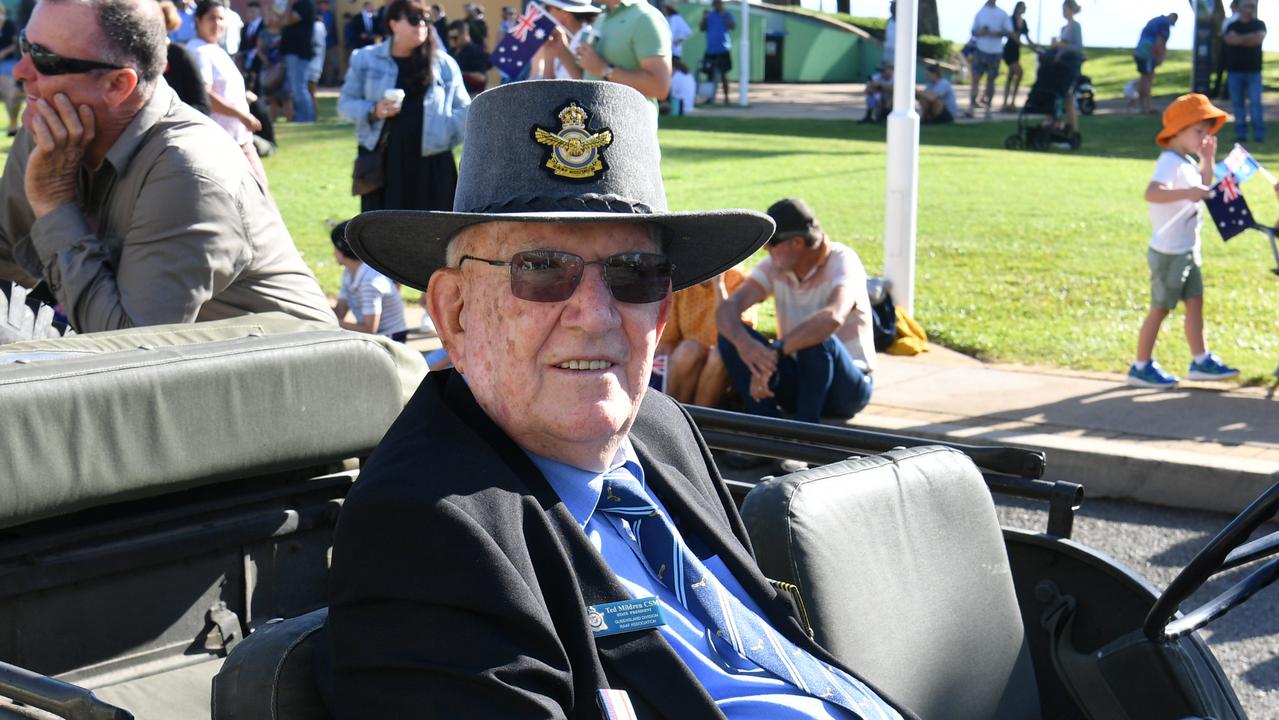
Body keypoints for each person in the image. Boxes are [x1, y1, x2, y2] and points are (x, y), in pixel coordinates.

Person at [322, 78, 910, 720]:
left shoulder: (659, 429)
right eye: (542, 269)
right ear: (455, 312)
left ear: (663, 309)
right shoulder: (422, 532)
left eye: (634, 274)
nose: (597, 316)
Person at [0, 0, 334, 333]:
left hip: (282, 375)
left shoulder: (190, 171)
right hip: (182, 367)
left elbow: (128, 350)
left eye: (45, 59)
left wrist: (53, 204)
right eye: (25, 45)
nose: (20, 71)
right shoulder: (50, 129)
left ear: (118, 85)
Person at [717, 198, 876, 425]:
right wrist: (747, 347)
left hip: (847, 390)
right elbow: (727, 311)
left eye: (771, 243)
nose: (765, 249)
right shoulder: (776, 265)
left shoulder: (843, 261)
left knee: (817, 339)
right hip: (801, 377)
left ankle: (804, 437)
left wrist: (776, 351)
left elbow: (833, 317)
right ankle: (765, 429)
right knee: (729, 335)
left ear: (797, 243)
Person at [1129, 94, 1239, 388]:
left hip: (1188, 249)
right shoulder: (1169, 161)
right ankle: (1141, 366)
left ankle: (1200, 360)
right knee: (1160, 308)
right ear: (1178, 130)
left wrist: (1207, 160)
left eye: (1207, 132)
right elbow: (1152, 193)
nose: (1205, 137)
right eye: (1198, 131)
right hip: (1168, 252)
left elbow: (1203, 186)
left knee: (1195, 303)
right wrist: (1186, 194)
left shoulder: (1187, 160)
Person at [340, 0, 469, 212]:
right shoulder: (365, 59)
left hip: (432, 164)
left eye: (426, 20)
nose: (422, 26)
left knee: (434, 236)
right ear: (393, 24)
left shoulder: (443, 64)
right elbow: (346, 104)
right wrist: (374, 110)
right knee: (384, 237)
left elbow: (465, 110)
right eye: (414, 20)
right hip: (385, 164)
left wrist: (444, 134)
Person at [188, 0, 268, 188]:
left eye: (221, 18)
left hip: (238, 137)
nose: (217, 24)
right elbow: (206, 96)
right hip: (221, 141)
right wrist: (241, 115)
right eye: (211, 19)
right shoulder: (199, 52)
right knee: (255, 194)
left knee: (256, 193)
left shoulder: (214, 49)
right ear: (198, 21)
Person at [656, 268, 752, 406]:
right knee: (689, 349)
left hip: (724, 362)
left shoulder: (738, 280)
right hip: (689, 361)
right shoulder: (684, 281)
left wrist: (719, 286)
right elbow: (668, 340)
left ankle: (701, 418)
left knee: (719, 355)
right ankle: (673, 412)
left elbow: (737, 334)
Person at [571, 0, 671, 104]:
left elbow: (660, 87)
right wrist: (560, 50)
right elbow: (589, 76)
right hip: (595, 118)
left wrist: (604, 69)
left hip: (631, 119)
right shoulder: (601, 18)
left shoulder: (646, 17)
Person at [331, 220, 408, 342]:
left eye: (334, 248)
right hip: (376, 336)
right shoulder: (349, 272)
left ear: (341, 251)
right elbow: (340, 311)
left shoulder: (369, 282)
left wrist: (332, 324)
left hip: (391, 340)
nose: (333, 253)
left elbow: (369, 329)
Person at [1223, 0, 1265, 144]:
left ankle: (1259, 135)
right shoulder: (1232, 25)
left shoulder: (1259, 24)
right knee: (1238, 104)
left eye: (1252, 6)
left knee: (1255, 103)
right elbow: (1230, 40)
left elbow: (1258, 40)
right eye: (1247, 5)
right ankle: (1241, 134)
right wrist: (1249, 37)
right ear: (1240, 7)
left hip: (1254, 72)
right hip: (1235, 72)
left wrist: (1240, 38)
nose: (1250, 9)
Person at [528, 0, 598, 80]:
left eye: (548, 8)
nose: (545, 14)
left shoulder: (589, 39)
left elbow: (587, 84)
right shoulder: (561, 39)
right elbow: (547, 86)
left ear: (565, 14)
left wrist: (563, 52)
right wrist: (549, 53)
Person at [967, 0, 1011, 119]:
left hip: (995, 51)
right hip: (980, 50)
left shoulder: (1002, 14)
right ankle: (971, 107)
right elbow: (973, 31)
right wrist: (982, 32)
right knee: (976, 78)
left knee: (991, 80)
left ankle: (988, 108)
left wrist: (996, 33)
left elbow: (1008, 32)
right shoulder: (980, 13)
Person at [1134, 12, 1177, 115]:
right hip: (1148, 52)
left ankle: (1142, 105)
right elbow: (1159, 41)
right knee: (1148, 78)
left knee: (1144, 77)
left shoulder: (1156, 20)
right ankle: (1148, 106)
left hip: (1140, 51)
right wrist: (1160, 57)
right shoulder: (1164, 24)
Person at [281, 0, 317, 122]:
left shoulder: (305, 4)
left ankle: (306, 118)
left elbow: (288, 20)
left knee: (299, 88)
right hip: (292, 51)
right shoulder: (296, 5)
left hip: (300, 52)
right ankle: (303, 116)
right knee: (296, 87)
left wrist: (289, 5)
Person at [1053, 0, 1082, 132]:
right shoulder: (1064, 28)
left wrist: (1061, 46)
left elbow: (1077, 48)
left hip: (1071, 66)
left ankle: (1074, 130)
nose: (1064, 12)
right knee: (1062, 99)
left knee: (1068, 98)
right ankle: (1062, 127)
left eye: (1065, 9)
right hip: (1061, 67)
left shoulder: (1075, 26)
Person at [699, 0, 733, 105]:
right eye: (716, 3)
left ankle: (726, 98)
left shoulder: (727, 14)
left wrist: (724, 16)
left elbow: (732, 26)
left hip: (723, 49)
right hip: (711, 50)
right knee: (710, 75)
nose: (718, 5)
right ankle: (710, 98)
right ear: (713, 5)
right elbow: (702, 28)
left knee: (723, 75)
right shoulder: (709, 15)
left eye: (720, 3)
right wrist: (704, 18)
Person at [999, 1, 1030, 113]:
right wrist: (1020, 42)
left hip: (1016, 51)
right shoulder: (1010, 19)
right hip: (1009, 50)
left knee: (1011, 76)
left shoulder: (1023, 22)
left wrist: (1033, 46)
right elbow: (1010, 34)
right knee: (1019, 72)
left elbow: (1026, 36)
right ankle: (1008, 102)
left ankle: (1009, 103)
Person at [446, 18, 490, 95]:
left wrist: (461, 74)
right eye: (450, 38)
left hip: (471, 95)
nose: (452, 41)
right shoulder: (451, 52)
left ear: (465, 34)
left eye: (455, 38)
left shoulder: (476, 51)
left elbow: (482, 78)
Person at [0, 5, 24, 137]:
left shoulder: (9, 24)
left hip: (7, 62)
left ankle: (13, 123)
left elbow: (16, 43)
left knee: (12, 94)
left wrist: (4, 52)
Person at [318, 0, 338, 84]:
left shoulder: (331, 15)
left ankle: (328, 80)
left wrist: (336, 42)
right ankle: (319, 80)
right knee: (320, 62)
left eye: (325, 4)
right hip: (318, 43)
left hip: (330, 43)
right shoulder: (316, 14)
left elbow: (334, 29)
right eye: (322, 4)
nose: (324, 6)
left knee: (330, 62)